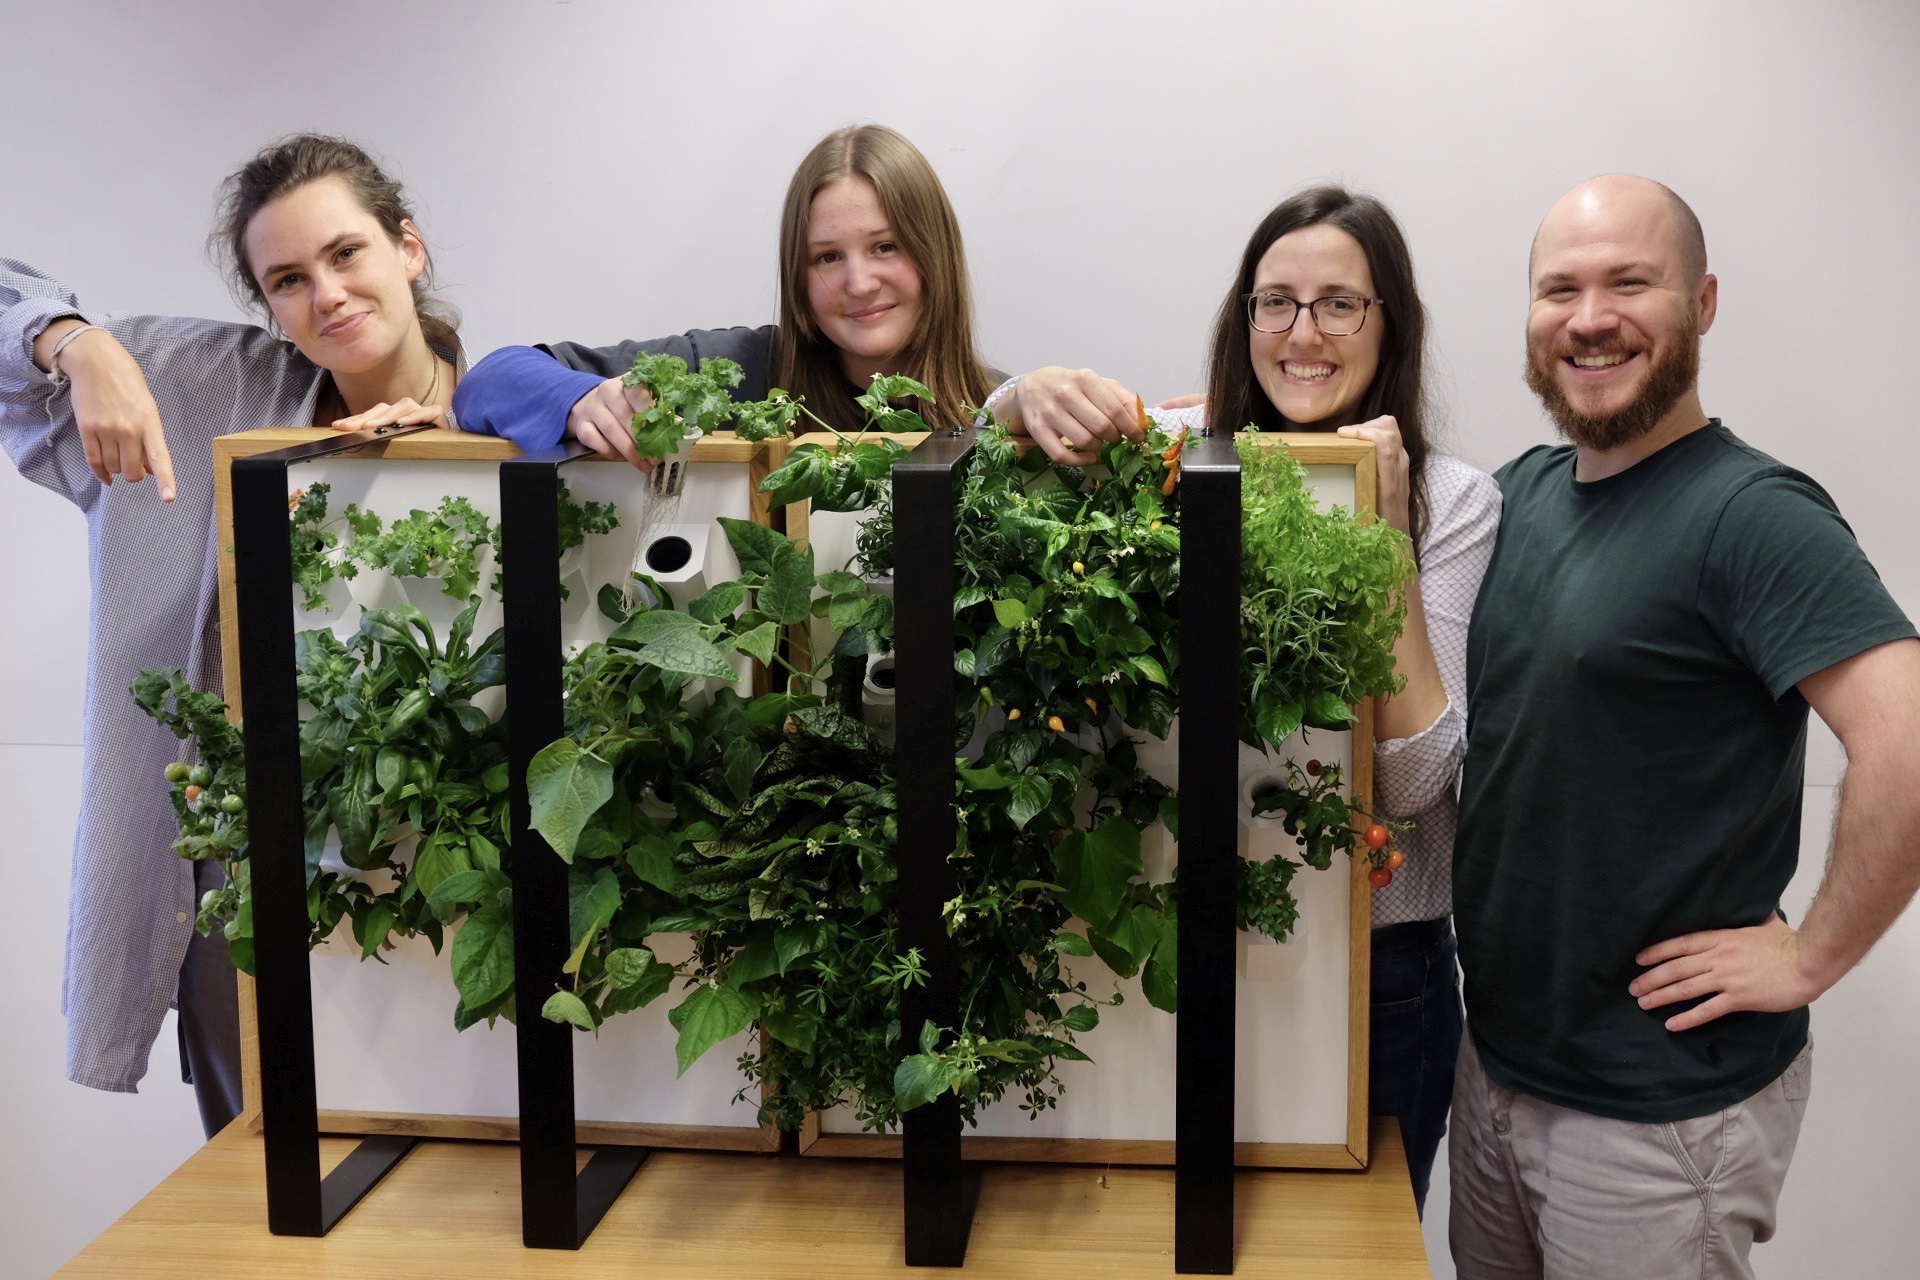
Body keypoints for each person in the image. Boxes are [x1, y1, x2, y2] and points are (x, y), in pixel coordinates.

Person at [1448, 174, 1920, 1278]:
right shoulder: (1521, 494)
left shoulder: (1749, 515)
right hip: (1501, 1069)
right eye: (1558, 287)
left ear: (1701, 302)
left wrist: (1811, 952)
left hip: (1657, 1120)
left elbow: (1906, 732)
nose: (1590, 316)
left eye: (1630, 282)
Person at [997, 186, 1499, 1212]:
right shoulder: (1177, 449)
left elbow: (1409, 780)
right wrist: (1018, 396)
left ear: (1389, 323)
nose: (1302, 333)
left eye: (1339, 304)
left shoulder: (1451, 497)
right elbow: (978, 472)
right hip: (1187, 946)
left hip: (1378, 973)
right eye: (1276, 302)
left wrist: (1384, 528)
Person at [0, 134, 462, 1137]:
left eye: (346, 254)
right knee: (264, 1194)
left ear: (408, 247)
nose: (327, 295)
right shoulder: (199, 385)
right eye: (288, 279)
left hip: (436, 903)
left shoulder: (508, 417)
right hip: (234, 904)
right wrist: (79, 342)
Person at [451, 123, 1001, 458]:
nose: (859, 283)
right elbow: (489, 380)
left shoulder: (999, 406)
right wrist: (578, 401)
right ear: (797, 274)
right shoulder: (740, 368)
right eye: (828, 257)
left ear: (936, 253)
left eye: (886, 247)